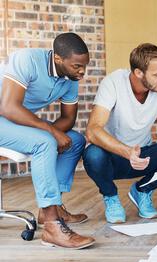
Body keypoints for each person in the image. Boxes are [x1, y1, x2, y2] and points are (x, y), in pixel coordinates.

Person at [83, 43, 157, 224]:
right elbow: (93, 130)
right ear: (138, 73)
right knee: (92, 154)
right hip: (112, 157)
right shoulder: (113, 83)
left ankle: (143, 190)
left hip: (144, 156)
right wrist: (127, 152)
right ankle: (111, 196)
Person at [0, 33, 95, 249]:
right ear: (59, 59)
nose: (82, 72)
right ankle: (53, 227)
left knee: (75, 140)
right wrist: (50, 133)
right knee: (45, 142)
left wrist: (55, 134)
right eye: (77, 66)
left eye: (84, 66)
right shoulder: (27, 60)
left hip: (16, 121)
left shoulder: (70, 77)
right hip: (4, 114)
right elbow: (8, 107)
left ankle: (50, 209)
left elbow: (68, 118)